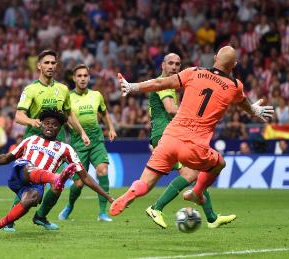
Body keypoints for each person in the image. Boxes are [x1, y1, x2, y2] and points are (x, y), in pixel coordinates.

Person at [110, 46, 274, 216]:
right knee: (219, 164)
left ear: (215, 57)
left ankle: (132, 192)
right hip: (194, 146)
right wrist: (254, 110)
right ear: (234, 65)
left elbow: (160, 83)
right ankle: (197, 192)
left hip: (169, 138)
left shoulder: (193, 72)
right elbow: (243, 101)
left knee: (146, 182)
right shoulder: (234, 86)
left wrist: (132, 87)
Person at [0, 109, 114, 238]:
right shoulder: (31, 140)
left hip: (37, 185)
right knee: (33, 170)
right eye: (46, 123)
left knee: (31, 200)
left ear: (59, 128)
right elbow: (6, 158)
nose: (49, 127)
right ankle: (56, 178)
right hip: (21, 172)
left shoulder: (66, 149)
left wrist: (107, 196)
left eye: (54, 125)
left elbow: (84, 176)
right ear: (42, 125)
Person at [145, 53, 236, 229]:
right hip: (169, 135)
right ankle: (156, 207)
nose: (174, 67)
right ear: (162, 65)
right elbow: (171, 109)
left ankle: (211, 217)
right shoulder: (165, 85)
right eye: (170, 63)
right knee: (191, 175)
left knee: (197, 175)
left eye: (177, 64)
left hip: (168, 134)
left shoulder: (168, 83)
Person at [6, 50, 91, 231]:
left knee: (54, 182)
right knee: (28, 180)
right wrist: (32, 121)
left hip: (55, 142)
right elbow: (18, 116)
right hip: (34, 139)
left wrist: (82, 132)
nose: (50, 66)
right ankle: (11, 218)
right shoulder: (30, 90)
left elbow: (68, 114)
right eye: (47, 63)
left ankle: (41, 216)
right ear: (39, 66)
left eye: (53, 63)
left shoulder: (62, 89)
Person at [58, 64, 117, 222]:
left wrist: (111, 128)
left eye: (85, 76)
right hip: (79, 143)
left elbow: (104, 113)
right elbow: (65, 118)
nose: (83, 79)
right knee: (78, 183)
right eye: (79, 76)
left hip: (96, 140)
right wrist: (72, 127)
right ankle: (70, 205)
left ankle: (103, 212)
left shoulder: (97, 95)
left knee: (102, 170)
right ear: (74, 78)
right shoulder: (68, 97)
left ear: (89, 78)